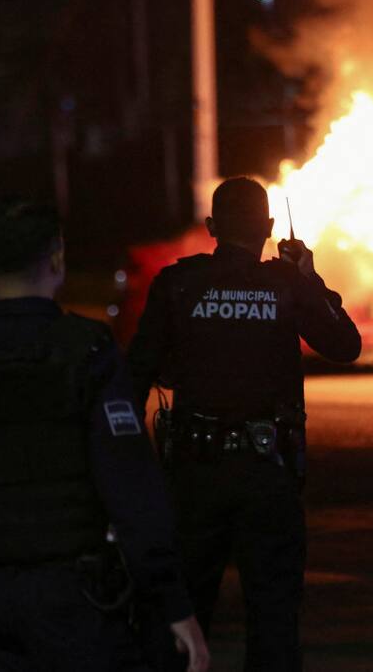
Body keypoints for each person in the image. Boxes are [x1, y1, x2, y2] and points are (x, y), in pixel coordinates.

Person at [0, 199, 209, 672]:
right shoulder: (87, 351)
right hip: (82, 605)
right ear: (58, 257)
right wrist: (172, 602)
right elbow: (132, 491)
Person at [126, 177, 361, 670]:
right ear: (269, 228)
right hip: (267, 475)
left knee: (182, 616)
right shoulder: (286, 284)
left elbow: (134, 378)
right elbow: (346, 345)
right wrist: (309, 277)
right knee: (273, 619)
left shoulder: (178, 284)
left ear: (212, 227)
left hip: (195, 476)